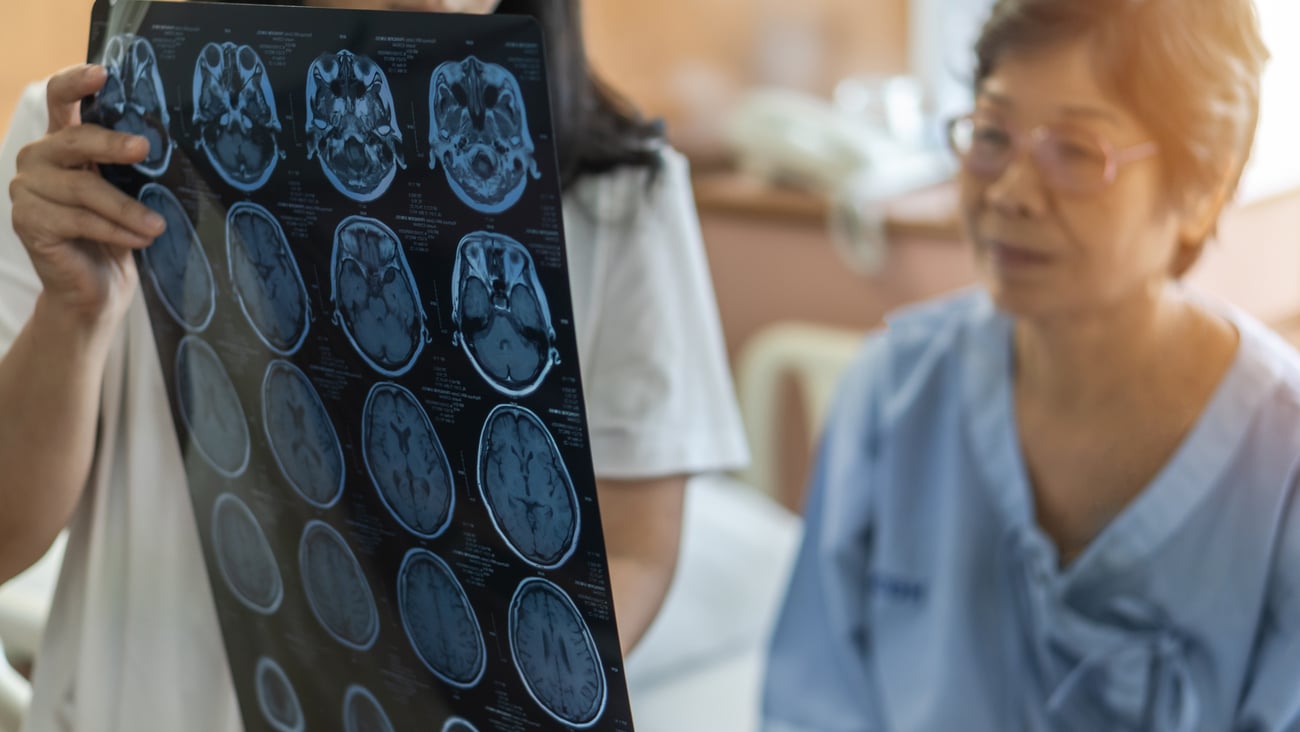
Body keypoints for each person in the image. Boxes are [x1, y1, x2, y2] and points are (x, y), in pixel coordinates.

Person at [0, 1, 748, 730]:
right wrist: (75, 315)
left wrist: (514, 694)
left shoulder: (623, 193)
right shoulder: (86, 154)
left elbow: (633, 546)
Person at [762, 0, 1299, 730]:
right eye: (990, 135)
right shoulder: (892, 395)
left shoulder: (1283, 465)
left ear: (1203, 188)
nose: (1010, 192)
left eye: (1075, 151)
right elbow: (811, 704)